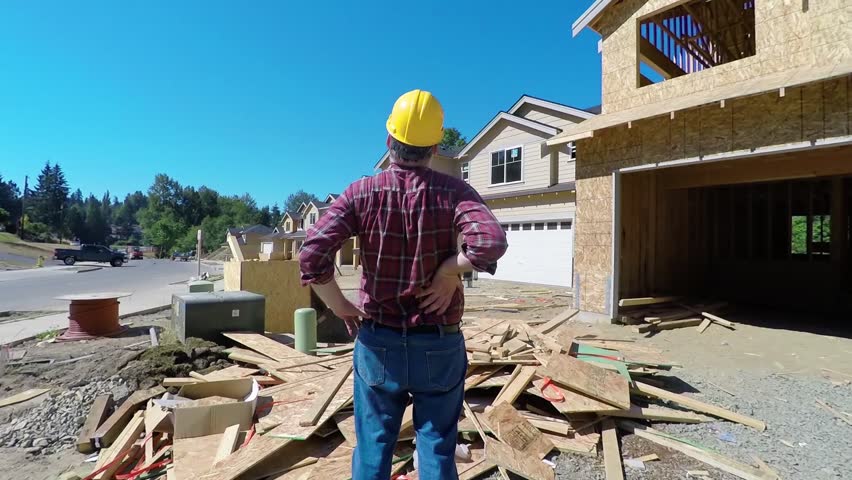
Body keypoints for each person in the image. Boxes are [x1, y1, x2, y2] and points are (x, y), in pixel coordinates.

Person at [299, 89, 508, 479]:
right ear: (434, 145)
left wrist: (338, 305)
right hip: (439, 344)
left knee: (373, 447)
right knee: (436, 447)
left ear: (389, 140)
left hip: (379, 343)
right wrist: (450, 270)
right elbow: (491, 242)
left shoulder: (361, 193)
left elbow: (311, 254)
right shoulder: (454, 191)